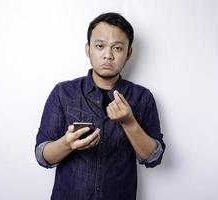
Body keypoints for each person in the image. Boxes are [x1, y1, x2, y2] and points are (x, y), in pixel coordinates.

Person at [35, 12, 165, 200]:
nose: (108, 55)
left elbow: (153, 157)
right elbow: (42, 155)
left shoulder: (142, 98)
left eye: (117, 48)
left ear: (129, 53)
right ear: (88, 49)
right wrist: (67, 143)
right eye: (100, 46)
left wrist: (129, 123)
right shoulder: (63, 92)